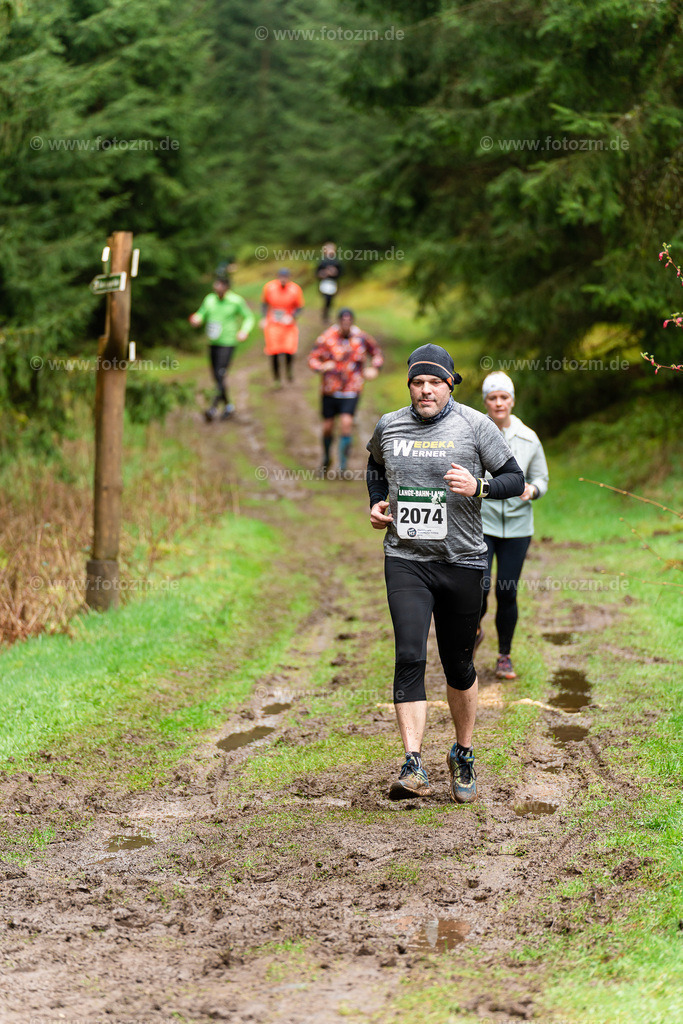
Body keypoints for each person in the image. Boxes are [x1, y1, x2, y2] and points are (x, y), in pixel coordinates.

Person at [366, 345, 524, 803]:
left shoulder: (475, 425)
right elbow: (375, 466)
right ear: (410, 386)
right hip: (406, 558)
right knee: (410, 655)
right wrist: (377, 502)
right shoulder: (390, 425)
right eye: (417, 382)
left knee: (458, 664)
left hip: (463, 561)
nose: (425, 390)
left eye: (434, 382)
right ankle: (413, 763)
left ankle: (464, 752)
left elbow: (512, 477)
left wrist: (481, 486)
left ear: (449, 384)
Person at [478, 372, 549, 680]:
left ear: (512, 400)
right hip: (480, 524)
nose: (498, 403)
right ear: (486, 402)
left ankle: (504, 656)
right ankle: (472, 633)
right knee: (476, 588)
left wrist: (531, 490)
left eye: (503, 397)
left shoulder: (529, 438)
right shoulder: (474, 432)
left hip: (518, 529)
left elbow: (541, 479)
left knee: (507, 591)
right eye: (492, 398)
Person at [308, 308, 383, 476]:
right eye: (343, 322)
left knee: (346, 423)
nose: (346, 325)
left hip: (351, 389)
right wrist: (321, 366)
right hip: (330, 389)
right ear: (339, 322)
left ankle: (343, 465)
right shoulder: (327, 337)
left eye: (349, 322)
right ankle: (327, 458)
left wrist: (374, 368)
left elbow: (377, 353)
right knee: (327, 427)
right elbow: (312, 357)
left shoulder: (361, 337)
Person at [189, 267, 255, 421]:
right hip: (213, 342)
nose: (216, 287)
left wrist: (244, 331)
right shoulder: (209, 299)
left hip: (228, 342)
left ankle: (212, 409)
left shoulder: (235, 301)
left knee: (220, 374)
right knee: (216, 376)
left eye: (219, 285)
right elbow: (201, 313)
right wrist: (197, 319)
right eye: (215, 284)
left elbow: (249, 317)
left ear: (226, 287)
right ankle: (228, 407)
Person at [260, 268, 305, 386]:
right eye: (281, 277)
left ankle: (289, 372)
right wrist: (264, 318)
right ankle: (276, 377)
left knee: (289, 350)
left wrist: (292, 317)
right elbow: (264, 304)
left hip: (288, 325)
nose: (283, 280)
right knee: (273, 351)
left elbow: (300, 307)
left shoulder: (295, 289)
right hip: (273, 324)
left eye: (286, 277)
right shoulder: (269, 287)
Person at [315, 242, 343, 324]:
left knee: (330, 300)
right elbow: (317, 273)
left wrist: (335, 273)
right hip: (324, 283)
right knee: (326, 298)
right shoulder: (322, 262)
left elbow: (341, 273)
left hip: (332, 283)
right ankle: (325, 315)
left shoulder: (336, 262)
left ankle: (326, 314)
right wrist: (323, 273)